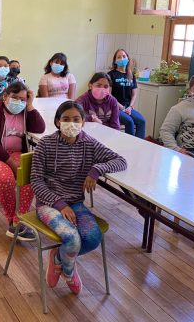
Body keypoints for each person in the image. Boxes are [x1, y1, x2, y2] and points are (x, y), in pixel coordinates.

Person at [31, 101, 127, 295]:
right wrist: (59, 204)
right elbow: (36, 181)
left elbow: (120, 161)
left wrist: (95, 170)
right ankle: (69, 271)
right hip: (49, 204)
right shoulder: (45, 144)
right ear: (58, 122)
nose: (71, 123)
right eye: (66, 119)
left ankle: (59, 257)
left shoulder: (89, 143)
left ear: (83, 121)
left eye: (76, 119)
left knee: (92, 238)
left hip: (76, 203)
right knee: (72, 239)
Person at [0, 81, 45, 240]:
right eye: (15, 98)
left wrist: (30, 106)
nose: (19, 102)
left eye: (23, 99)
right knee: (5, 178)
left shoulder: (25, 112)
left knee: (30, 173)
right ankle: (14, 223)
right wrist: (11, 164)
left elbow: (40, 128)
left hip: (15, 153)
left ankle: (18, 221)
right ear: (5, 96)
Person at [108, 49, 146, 138]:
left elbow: (134, 94)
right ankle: (130, 146)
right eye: (119, 57)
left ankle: (140, 146)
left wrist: (130, 107)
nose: (122, 58)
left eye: (124, 56)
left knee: (142, 121)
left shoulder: (131, 75)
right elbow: (109, 95)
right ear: (115, 61)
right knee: (129, 121)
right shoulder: (111, 75)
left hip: (128, 107)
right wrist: (121, 107)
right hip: (115, 107)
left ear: (128, 59)